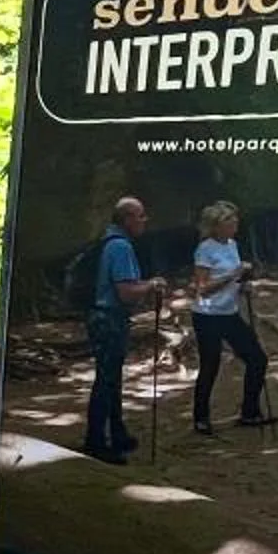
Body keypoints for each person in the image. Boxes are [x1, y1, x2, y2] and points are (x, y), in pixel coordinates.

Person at [85, 197, 166, 463]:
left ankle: (116, 433)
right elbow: (126, 292)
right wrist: (151, 286)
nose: (145, 220)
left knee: (111, 379)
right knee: (106, 381)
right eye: (141, 216)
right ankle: (97, 442)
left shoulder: (110, 242)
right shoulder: (120, 247)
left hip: (103, 317)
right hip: (110, 319)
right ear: (128, 219)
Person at [188, 201, 270, 436]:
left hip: (229, 312)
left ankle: (250, 411)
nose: (235, 223)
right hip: (207, 314)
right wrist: (233, 275)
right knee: (210, 365)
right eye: (228, 220)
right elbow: (202, 288)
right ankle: (201, 418)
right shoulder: (206, 249)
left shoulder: (232, 245)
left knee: (257, 359)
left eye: (235, 219)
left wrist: (243, 285)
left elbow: (234, 278)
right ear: (216, 226)